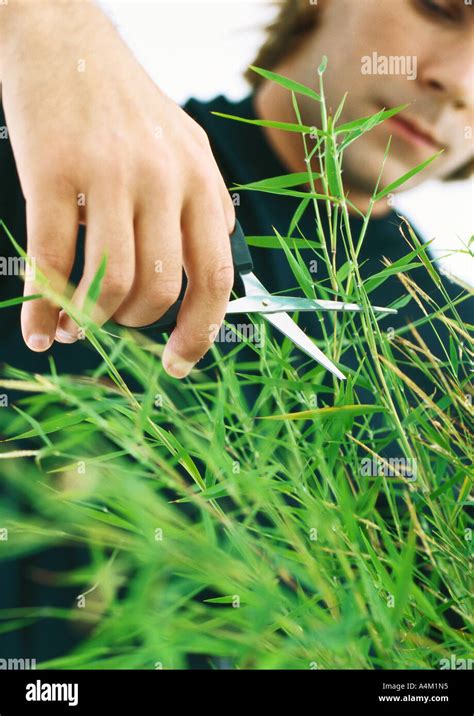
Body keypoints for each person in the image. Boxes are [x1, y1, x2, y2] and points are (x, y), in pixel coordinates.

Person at [0, 0, 472, 663]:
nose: (461, 81)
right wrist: (43, 21)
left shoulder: (462, 355)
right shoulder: (49, 162)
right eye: (441, 8)